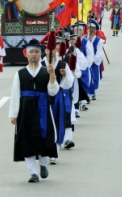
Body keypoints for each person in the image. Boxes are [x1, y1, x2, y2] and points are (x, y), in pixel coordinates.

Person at [9, 38, 59, 183]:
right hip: (25, 110)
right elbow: (15, 93)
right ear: (26, 54)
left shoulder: (46, 71)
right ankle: (32, 172)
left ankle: (43, 165)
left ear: (41, 54)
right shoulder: (20, 73)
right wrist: (14, 114)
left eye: (37, 52)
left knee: (44, 137)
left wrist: (52, 75)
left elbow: (53, 91)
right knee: (26, 139)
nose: (34, 55)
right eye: (31, 52)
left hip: (43, 108)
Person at [41, 34, 74, 165]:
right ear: (45, 50)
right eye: (49, 49)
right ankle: (43, 151)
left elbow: (69, 82)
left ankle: (54, 152)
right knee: (44, 124)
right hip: (43, 97)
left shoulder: (62, 63)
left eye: (54, 49)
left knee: (57, 123)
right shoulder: (40, 64)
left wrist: (65, 76)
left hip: (58, 97)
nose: (51, 52)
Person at [85, 20, 104, 100]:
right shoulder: (84, 39)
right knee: (87, 78)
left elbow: (99, 53)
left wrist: (93, 60)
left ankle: (94, 93)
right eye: (89, 28)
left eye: (92, 28)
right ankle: (87, 92)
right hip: (86, 62)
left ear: (95, 30)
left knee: (95, 77)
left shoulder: (98, 41)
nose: (91, 30)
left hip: (94, 62)